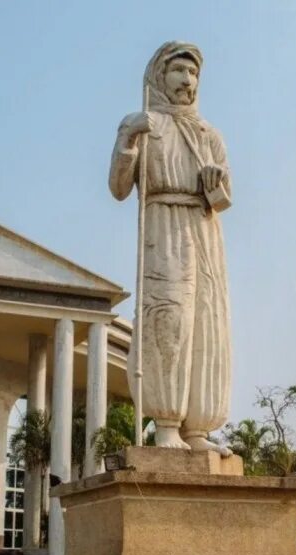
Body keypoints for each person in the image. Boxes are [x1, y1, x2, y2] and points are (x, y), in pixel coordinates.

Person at [109, 42, 233, 452]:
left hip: (204, 230)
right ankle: (165, 424)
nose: (187, 81)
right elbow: (119, 188)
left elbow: (224, 200)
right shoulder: (144, 125)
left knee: (206, 323)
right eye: (178, 71)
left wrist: (214, 183)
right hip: (163, 227)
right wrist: (127, 139)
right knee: (169, 320)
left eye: (193, 74)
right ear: (159, 77)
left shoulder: (208, 134)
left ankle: (197, 429)